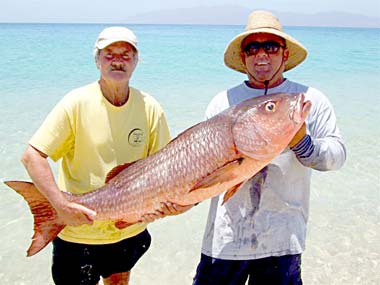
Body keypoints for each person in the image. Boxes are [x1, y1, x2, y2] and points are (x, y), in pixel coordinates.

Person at [192, 10, 346, 285]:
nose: (262, 55)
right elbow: (200, 166)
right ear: (243, 57)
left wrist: (303, 143)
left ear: (285, 54)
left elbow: (336, 157)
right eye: (253, 48)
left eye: (271, 47)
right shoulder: (222, 103)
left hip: (283, 239)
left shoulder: (309, 100)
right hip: (227, 239)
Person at [20, 26, 177, 285]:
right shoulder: (76, 103)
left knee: (118, 282)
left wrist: (170, 206)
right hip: (78, 234)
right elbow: (32, 156)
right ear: (97, 60)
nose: (118, 60)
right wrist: (60, 206)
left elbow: (165, 170)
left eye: (126, 55)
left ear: (137, 61)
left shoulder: (150, 107)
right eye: (109, 54)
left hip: (129, 229)